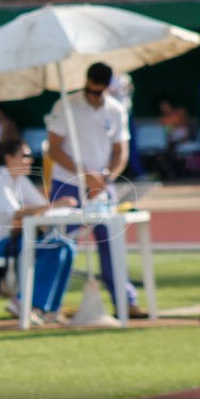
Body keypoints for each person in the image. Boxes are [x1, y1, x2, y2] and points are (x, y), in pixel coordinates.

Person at [45, 61, 146, 317]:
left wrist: (105, 177)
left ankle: (125, 301)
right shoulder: (65, 106)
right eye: (91, 91)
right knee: (58, 243)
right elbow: (54, 148)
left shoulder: (116, 109)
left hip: (101, 187)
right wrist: (83, 174)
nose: (94, 96)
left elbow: (120, 151)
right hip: (67, 184)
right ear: (86, 83)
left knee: (112, 243)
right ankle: (42, 303)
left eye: (99, 92)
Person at [0, 139, 78, 324]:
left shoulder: (19, 180)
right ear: (9, 158)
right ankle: (23, 302)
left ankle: (51, 310)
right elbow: (15, 212)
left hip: (15, 240)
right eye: (25, 156)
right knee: (55, 245)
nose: (30, 160)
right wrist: (56, 204)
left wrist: (56, 207)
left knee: (68, 246)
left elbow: (41, 206)